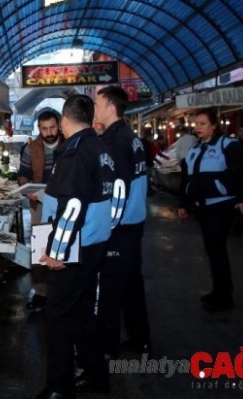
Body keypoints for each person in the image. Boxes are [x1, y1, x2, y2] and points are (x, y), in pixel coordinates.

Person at [35, 94, 115, 399]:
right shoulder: (99, 147)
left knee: (57, 316)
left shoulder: (75, 152)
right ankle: (96, 375)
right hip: (95, 243)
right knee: (82, 313)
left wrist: (57, 252)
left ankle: (60, 386)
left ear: (65, 119)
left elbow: (73, 207)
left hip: (75, 248)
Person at [93, 85, 151, 361]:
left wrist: (108, 227)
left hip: (120, 227)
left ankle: (106, 350)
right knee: (132, 285)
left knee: (111, 292)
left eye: (97, 104)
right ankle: (141, 340)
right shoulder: (132, 137)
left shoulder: (115, 142)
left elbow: (117, 191)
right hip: (135, 223)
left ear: (110, 107)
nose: (95, 109)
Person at [178, 108, 243, 311]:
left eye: (202, 123)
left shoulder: (227, 145)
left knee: (215, 245)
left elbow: (241, 173)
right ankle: (219, 291)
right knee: (212, 249)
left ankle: (224, 296)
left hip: (222, 205)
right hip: (202, 208)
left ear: (214, 126)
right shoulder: (193, 150)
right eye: (196, 123)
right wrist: (184, 203)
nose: (198, 127)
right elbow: (187, 178)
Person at [18, 110, 63, 312]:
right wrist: (27, 188)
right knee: (41, 250)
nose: (49, 132)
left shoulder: (68, 144)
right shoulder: (32, 148)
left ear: (59, 125)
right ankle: (42, 293)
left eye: (52, 127)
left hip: (64, 205)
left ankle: (61, 292)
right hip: (39, 205)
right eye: (44, 129)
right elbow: (23, 174)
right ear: (39, 129)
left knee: (63, 248)